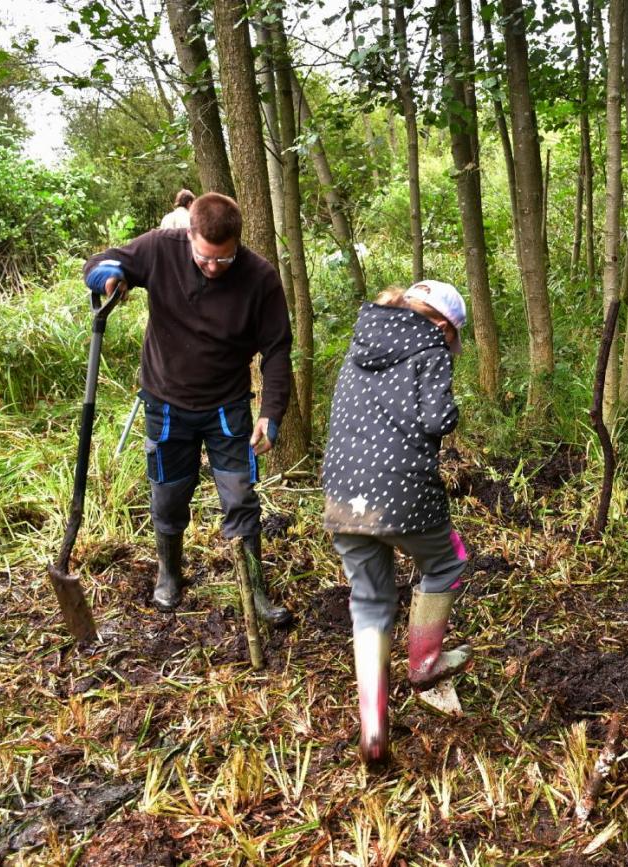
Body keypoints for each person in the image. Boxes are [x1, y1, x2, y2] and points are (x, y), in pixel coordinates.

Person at [82, 192, 293, 626]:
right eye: (205, 259)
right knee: (169, 495)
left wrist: (271, 414)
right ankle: (169, 574)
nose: (214, 268)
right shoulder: (162, 247)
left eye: (224, 260)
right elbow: (100, 263)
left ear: (238, 241)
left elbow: (277, 351)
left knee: (239, 499)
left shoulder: (260, 278)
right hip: (166, 404)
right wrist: (108, 277)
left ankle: (255, 590)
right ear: (189, 236)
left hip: (226, 408)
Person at [322, 280, 472, 765]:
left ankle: (372, 725)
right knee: (447, 561)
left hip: (343, 494)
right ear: (444, 327)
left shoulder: (362, 342)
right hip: (402, 491)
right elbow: (438, 420)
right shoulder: (430, 349)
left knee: (369, 600)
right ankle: (424, 664)